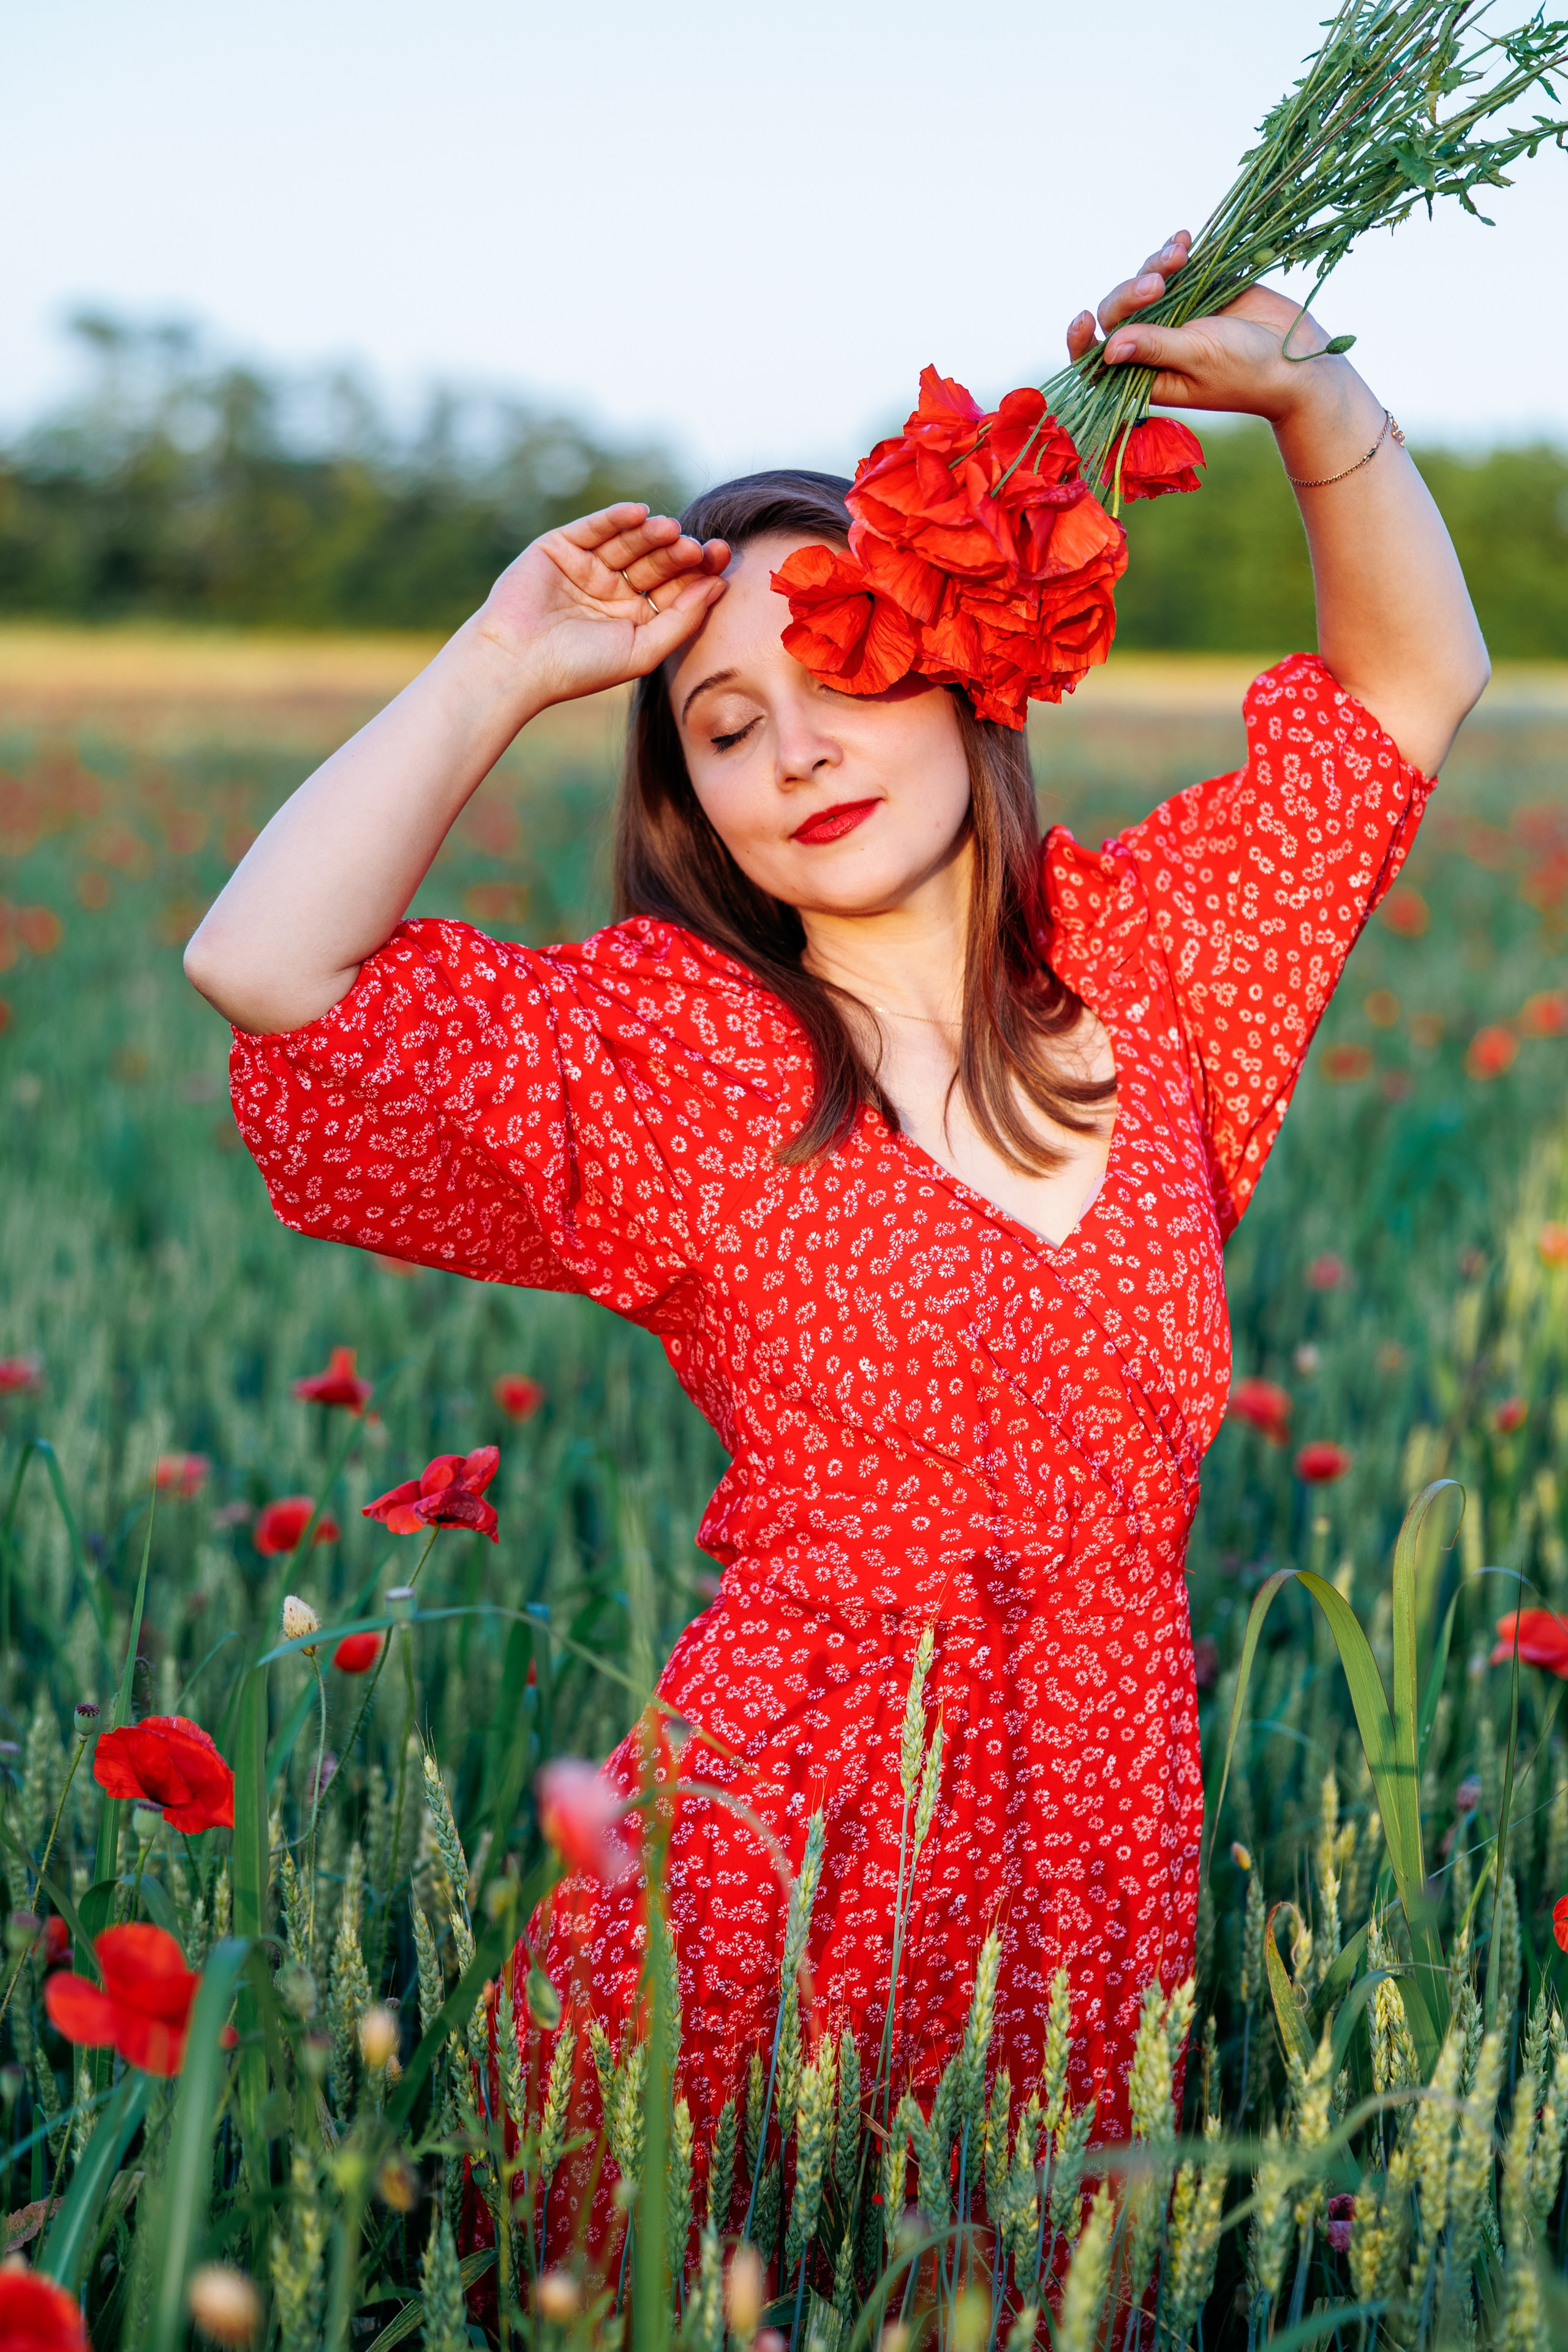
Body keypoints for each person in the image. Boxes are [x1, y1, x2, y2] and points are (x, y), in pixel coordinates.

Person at [186, 234, 1488, 2266]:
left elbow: (1410, 687)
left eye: (850, 667)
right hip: (769, 1854)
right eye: (720, 722)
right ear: (691, 798)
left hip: (1099, 1841)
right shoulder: (683, 1059)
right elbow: (264, 964)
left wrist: (1319, 397)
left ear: (972, 678)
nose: (791, 747)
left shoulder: (1155, 974)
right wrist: (510, 658)